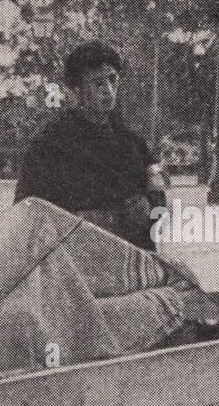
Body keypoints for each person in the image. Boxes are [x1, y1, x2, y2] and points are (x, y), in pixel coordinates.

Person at [14, 41, 164, 251]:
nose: (109, 90)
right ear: (77, 90)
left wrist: (149, 208)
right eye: (98, 83)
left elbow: (159, 207)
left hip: (133, 261)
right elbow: (26, 212)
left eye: (113, 80)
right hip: (76, 264)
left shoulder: (135, 144)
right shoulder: (49, 144)